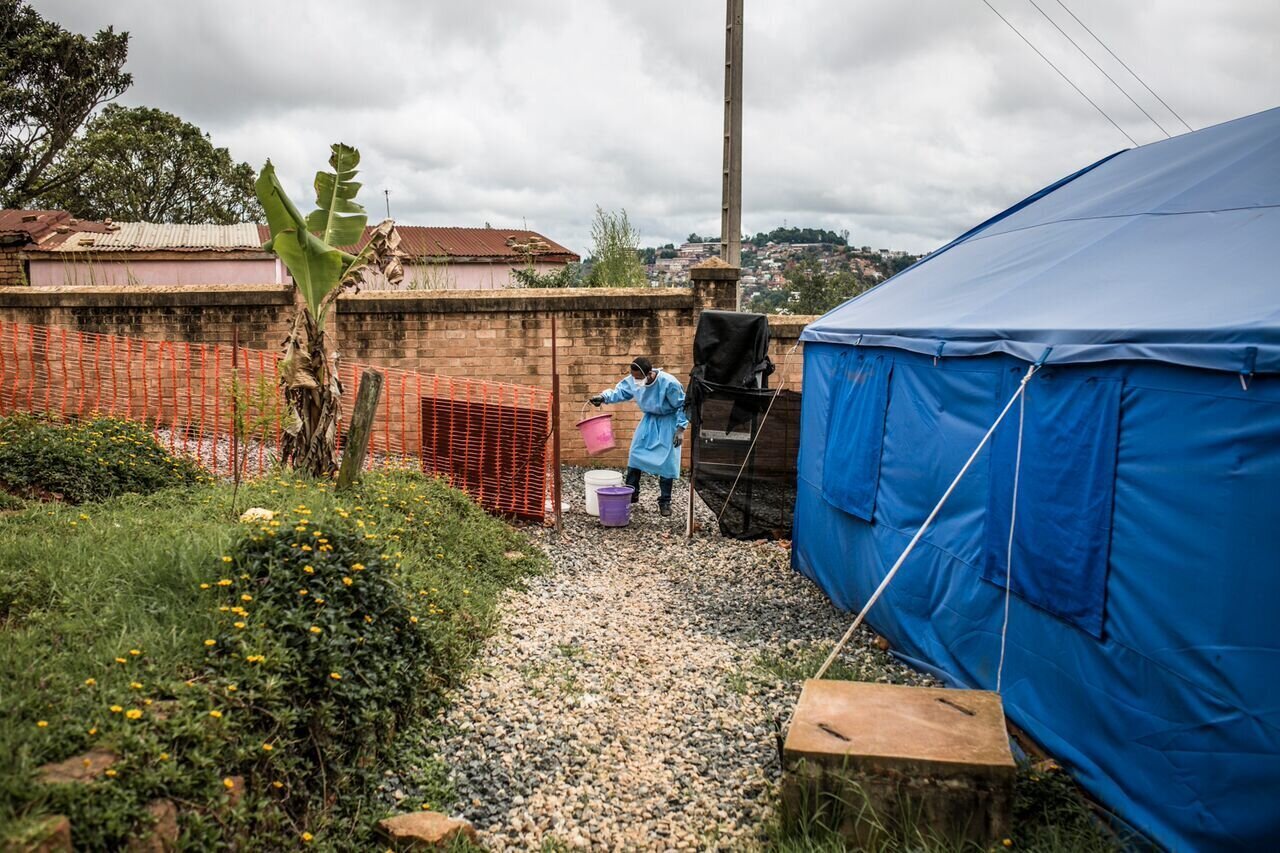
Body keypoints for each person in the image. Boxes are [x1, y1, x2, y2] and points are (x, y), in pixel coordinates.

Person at [589, 357, 688, 517]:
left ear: (649, 374)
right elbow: (620, 392)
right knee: (635, 454)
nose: (636, 380)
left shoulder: (669, 383)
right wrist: (603, 398)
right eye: (634, 377)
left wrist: (680, 429)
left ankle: (665, 501)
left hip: (668, 422)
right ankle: (631, 493)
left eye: (638, 377)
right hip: (649, 421)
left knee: (667, 461)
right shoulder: (633, 380)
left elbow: (682, 405)